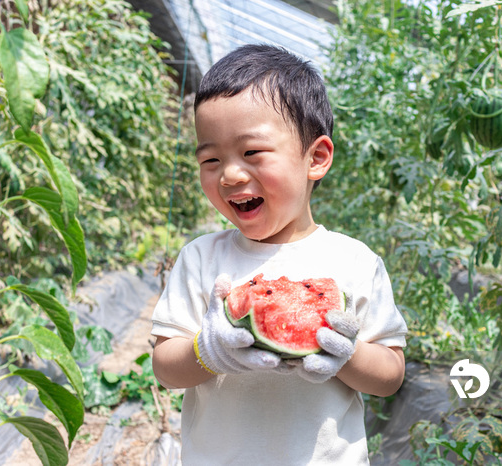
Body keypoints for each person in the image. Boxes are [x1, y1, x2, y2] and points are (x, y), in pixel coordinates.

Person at [151, 44, 407, 465]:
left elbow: (390, 376)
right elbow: (165, 366)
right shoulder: (200, 259)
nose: (230, 174)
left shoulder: (355, 262)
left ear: (316, 158)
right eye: (211, 159)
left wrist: (348, 354)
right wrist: (208, 351)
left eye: (252, 153)